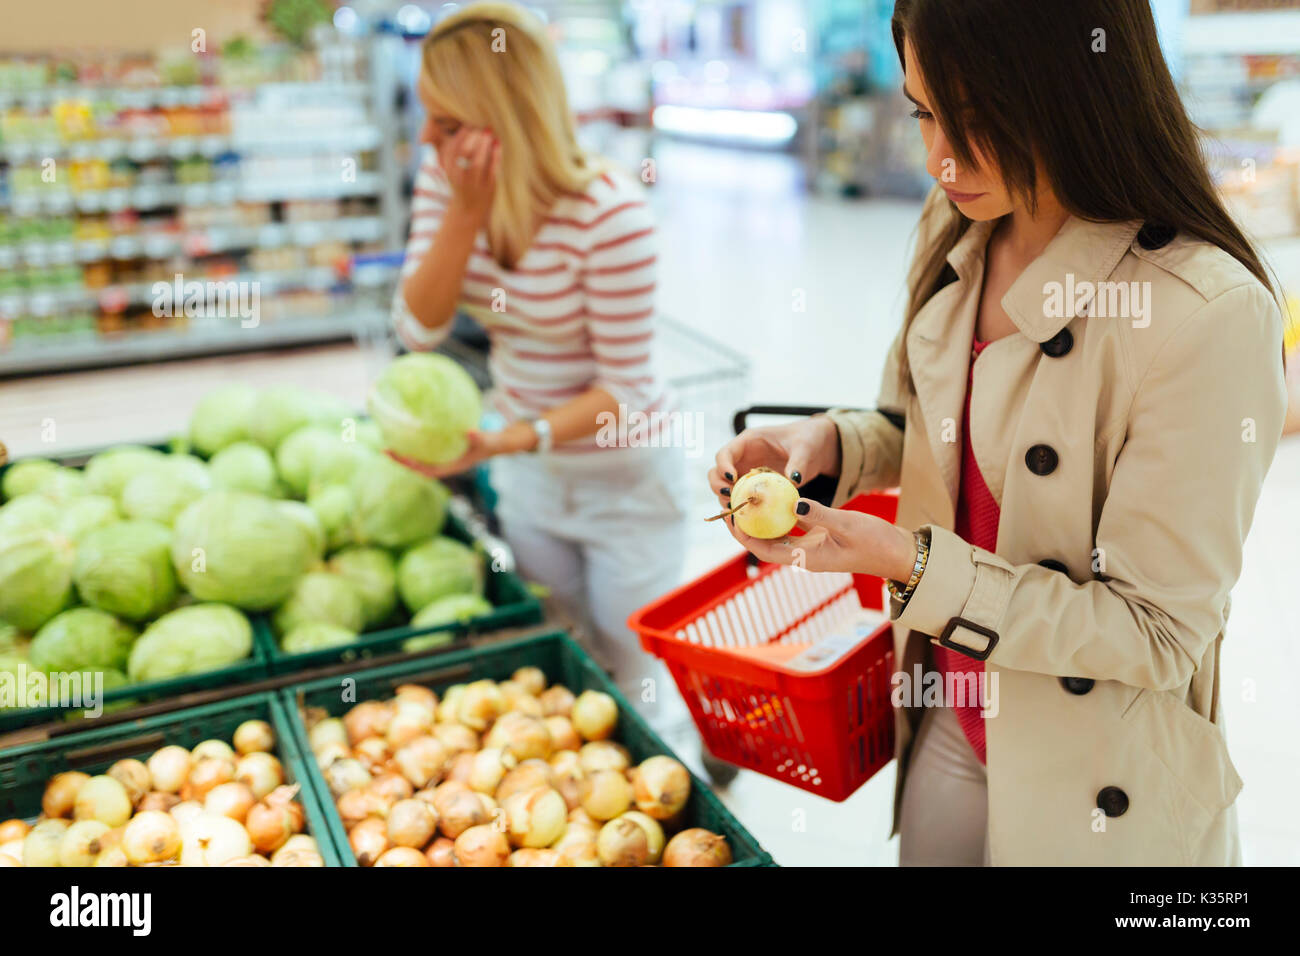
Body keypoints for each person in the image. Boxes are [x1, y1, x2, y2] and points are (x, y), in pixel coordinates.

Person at [708, 0, 1287, 865]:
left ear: (1081, 90)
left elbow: (1158, 633)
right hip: (952, 710)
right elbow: (927, 427)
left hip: (1096, 772)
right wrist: (834, 445)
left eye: (976, 120)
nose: (939, 157)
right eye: (924, 112)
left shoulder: (1204, 311)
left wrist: (911, 564)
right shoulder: (957, 235)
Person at [388, 3, 699, 754]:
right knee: (562, 664)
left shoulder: (610, 213)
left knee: (640, 682)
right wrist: (464, 216)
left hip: (623, 481)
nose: (427, 137)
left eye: (449, 122)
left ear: (507, 117)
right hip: (530, 476)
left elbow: (623, 390)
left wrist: (503, 441)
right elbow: (417, 327)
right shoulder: (446, 179)